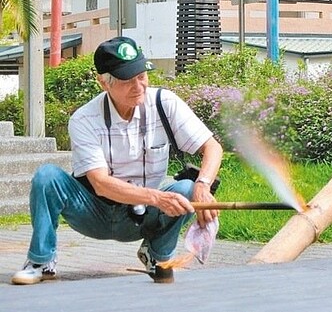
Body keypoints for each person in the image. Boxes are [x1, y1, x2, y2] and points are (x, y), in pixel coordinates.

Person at [11, 36, 223, 285]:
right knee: (46, 177)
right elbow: (100, 183)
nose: (139, 86)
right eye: (127, 80)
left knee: (187, 189)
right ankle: (41, 260)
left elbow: (212, 147)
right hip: (94, 212)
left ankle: (158, 257)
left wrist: (203, 185)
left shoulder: (164, 103)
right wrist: (157, 197)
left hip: (143, 215)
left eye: (142, 76)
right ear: (104, 83)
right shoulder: (84, 119)